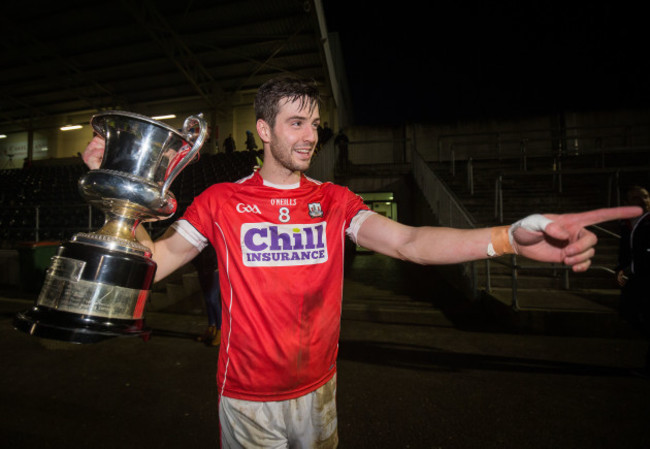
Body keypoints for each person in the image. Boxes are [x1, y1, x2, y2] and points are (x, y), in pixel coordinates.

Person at [82, 75, 641, 448]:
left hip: (320, 388)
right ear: (264, 131)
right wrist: (117, 200)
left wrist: (509, 240)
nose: (310, 135)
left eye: (314, 122)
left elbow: (411, 243)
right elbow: (153, 259)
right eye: (296, 123)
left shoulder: (333, 201)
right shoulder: (223, 202)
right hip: (248, 397)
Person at [615, 185, 650, 376]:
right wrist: (621, 268)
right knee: (628, 312)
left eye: (644, 197)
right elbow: (626, 250)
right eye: (635, 198)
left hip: (645, 276)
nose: (642, 200)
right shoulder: (627, 223)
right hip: (635, 277)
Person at [191, 243, 222, 346]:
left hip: (214, 269)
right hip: (202, 269)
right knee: (207, 299)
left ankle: (220, 330)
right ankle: (211, 328)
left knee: (213, 299)